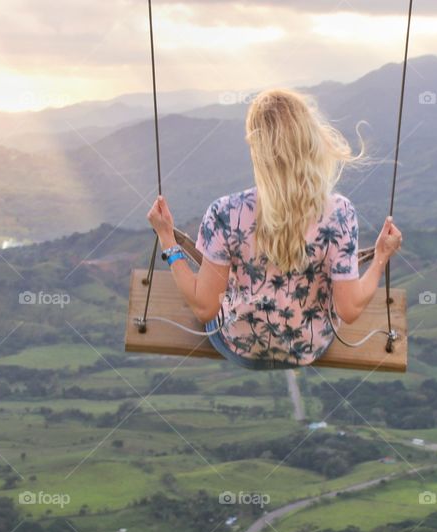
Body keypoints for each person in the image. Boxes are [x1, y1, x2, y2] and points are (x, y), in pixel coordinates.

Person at [146, 88, 402, 370]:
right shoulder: (339, 214)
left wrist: (167, 237)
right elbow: (349, 310)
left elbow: (204, 307)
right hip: (308, 348)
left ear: (257, 147)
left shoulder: (224, 212)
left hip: (238, 347)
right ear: (309, 140)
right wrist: (380, 258)